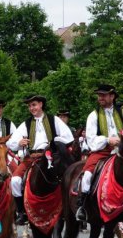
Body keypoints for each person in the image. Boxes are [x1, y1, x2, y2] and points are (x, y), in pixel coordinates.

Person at [77, 85, 123, 222]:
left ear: (112, 96)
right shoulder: (93, 116)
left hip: (122, 153)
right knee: (87, 176)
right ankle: (82, 207)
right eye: (99, 95)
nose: (100, 98)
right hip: (102, 151)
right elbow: (91, 140)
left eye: (103, 95)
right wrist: (108, 140)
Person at [8, 94, 75, 224]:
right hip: (31, 157)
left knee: (66, 177)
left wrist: (54, 142)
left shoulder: (53, 120)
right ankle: (22, 212)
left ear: (41, 105)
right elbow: (11, 143)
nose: (31, 108)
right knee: (15, 180)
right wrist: (19, 142)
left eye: (34, 105)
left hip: (51, 156)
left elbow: (68, 137)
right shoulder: (26, 124)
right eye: (29, 106)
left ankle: (68, 208)